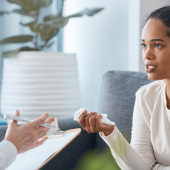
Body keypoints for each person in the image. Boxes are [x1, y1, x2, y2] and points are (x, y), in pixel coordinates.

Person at [78, 6, 170, 170]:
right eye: (144, 45)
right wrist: (110, 132)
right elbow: (140, 167)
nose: (147, 55)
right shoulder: (146, 96)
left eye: (157, 45)